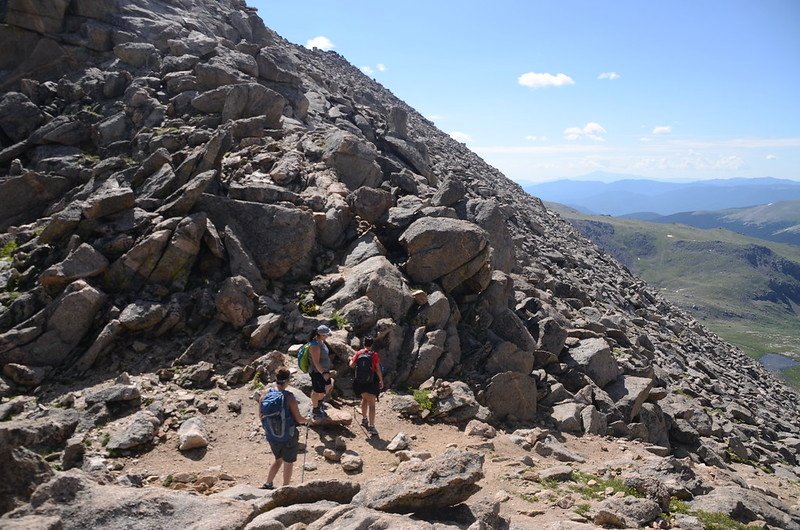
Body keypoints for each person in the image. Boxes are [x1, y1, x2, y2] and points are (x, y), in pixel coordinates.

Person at [259, 367, 309, 489]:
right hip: (288, 435)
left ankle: (268, 483)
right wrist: (308, 420)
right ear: (288, 381)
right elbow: (298, 419)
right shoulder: (289, 397)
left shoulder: (265, 394)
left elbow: (261, 416)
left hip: (272, 436)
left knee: (278, 459)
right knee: (288, 462)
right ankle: (285, 488)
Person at [349, 336, 383, 436]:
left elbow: (351, 365)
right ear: (372, 344)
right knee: (372, 404)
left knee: (364, 399)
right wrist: (381, 380)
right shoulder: (374, 354)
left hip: (360, 381)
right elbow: (377, 369)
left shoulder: (359, 353)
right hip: (371, 382)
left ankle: (364, 420)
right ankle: (372, 427)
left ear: (364, 343)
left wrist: (350, 359)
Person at [309, 324, 335, 419]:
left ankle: (319, 403)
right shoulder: (315, 345)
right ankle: (315, 408)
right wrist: (323, 373)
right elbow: (316, 362)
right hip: (317, 372)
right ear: (322, 335)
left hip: (324, 371)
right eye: (327, 334)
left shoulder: (321, 342)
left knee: (328, 386)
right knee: (317, 391)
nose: (328, 336)